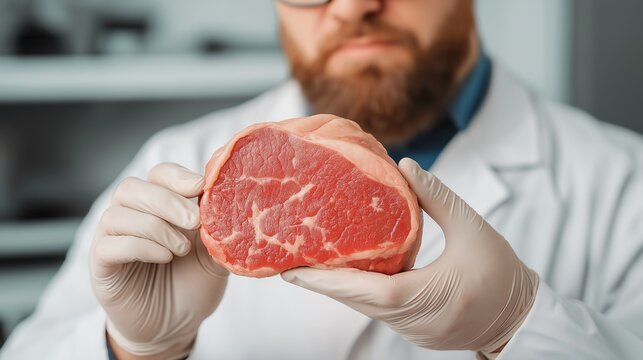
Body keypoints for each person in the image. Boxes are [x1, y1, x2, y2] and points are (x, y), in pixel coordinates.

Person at [3, 0, 643, 359]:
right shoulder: (177, 162)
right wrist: (133, 349)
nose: (357, 5)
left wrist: (521, 326)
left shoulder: (622, 184)